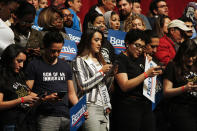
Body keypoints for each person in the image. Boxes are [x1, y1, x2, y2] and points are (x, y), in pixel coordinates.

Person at [25, 31, 78, 131]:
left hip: (66, 115)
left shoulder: (65, 66)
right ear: (44, 47)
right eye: (53, 51)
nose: (56, 54)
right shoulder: (34, 65)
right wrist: (46, 98)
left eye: (59, 51)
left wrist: (80, 109)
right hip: (45, 115)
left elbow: (71, 94)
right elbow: (24, 93)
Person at [112, 30, 162, 131]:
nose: (140, 50)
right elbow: (124, 86)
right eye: (137, 45)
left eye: (142, 47)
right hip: (129, 106)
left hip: (145, 105)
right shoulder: (120, 60)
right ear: (127, 43)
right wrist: (146, 74)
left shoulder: (142, 58)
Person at [73, 28, 112, 131]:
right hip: (90, 107)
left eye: (100, 41)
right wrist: (101, 72)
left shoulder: (100, 61)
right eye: (96, 40)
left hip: (104, 107)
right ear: (88, 40)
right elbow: (83, 85)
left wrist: (111, 75)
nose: (99, 43)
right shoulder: (80, 60)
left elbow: (103, 85)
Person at [0, 44, 39, 131]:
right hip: (10, 124)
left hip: (24, 122)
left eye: (23, 62)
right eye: (19, 61)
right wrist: (21, 100)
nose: (21, 65)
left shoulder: (18, 76)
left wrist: (45, 97)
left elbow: (25, 94)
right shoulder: (2, 76)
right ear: (10, 58)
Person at [163, 39, 197, 131]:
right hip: (180, 108)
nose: (190, 59)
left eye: (193, 56)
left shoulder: (195, 65)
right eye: (187, 56)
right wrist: (185, 88)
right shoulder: (173, 66)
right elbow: (166, 92)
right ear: (181, 54)